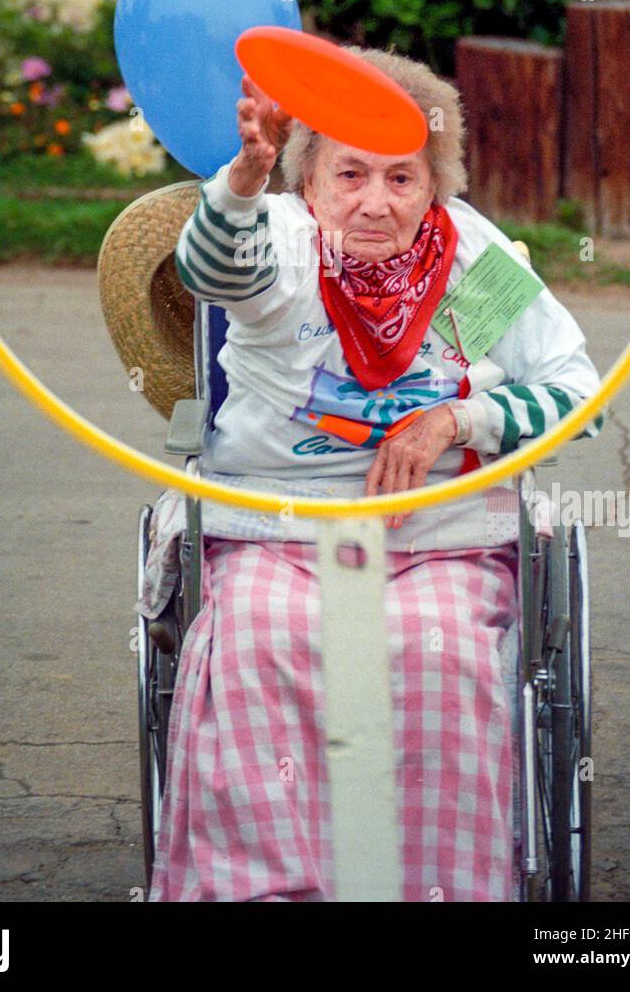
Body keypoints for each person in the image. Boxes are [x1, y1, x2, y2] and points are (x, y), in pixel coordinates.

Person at [147, 45, 604, 902]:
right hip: (278, 530)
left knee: (443, 660)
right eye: (350, 173)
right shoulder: (282, 242)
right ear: (309, 183)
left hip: (443, 537)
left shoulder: (467, 262)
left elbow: (578, 393)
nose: (374, 202)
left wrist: (458, 420)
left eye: (403, 178)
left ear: (437, 187)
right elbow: (207, 270)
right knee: (259, 641)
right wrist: (246, 172)